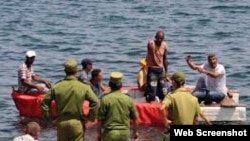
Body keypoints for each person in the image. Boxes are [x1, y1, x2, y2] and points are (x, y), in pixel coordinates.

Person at [41, 58, 99, 141]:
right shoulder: (83, 87)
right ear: (76, 71)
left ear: (65, 70)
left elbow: (44, 103)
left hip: (62, 123)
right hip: (77, 123)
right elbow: (95, 102)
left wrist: (49, 118)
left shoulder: (57, 86)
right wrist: (90, 117)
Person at [159, 71, 202, 141]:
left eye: (172, 81)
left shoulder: (171, 96)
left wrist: (166, 122)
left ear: (174, 83)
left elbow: (161, 109)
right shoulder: (194, 99)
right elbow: (196, 121)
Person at [97, 71, 139, 141]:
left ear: (110, 85)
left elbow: (100, 119)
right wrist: (136, 132)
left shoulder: (105, 99)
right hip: (124, 133)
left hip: (110, 133)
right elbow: (135, 119)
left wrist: (99, 133)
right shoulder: (128, 99)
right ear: (121, 85)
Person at [145, 30, 169, 102]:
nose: (159, 40)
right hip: (152, 71)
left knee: (164, 93)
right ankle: (148, 99)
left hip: (161, 71)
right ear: (155, 37)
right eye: (158, 38)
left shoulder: (164, 45)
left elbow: (165, 59)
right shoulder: (151, 44)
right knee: (152, 94)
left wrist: (166, 72)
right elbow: (149, 46)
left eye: (161, 39)